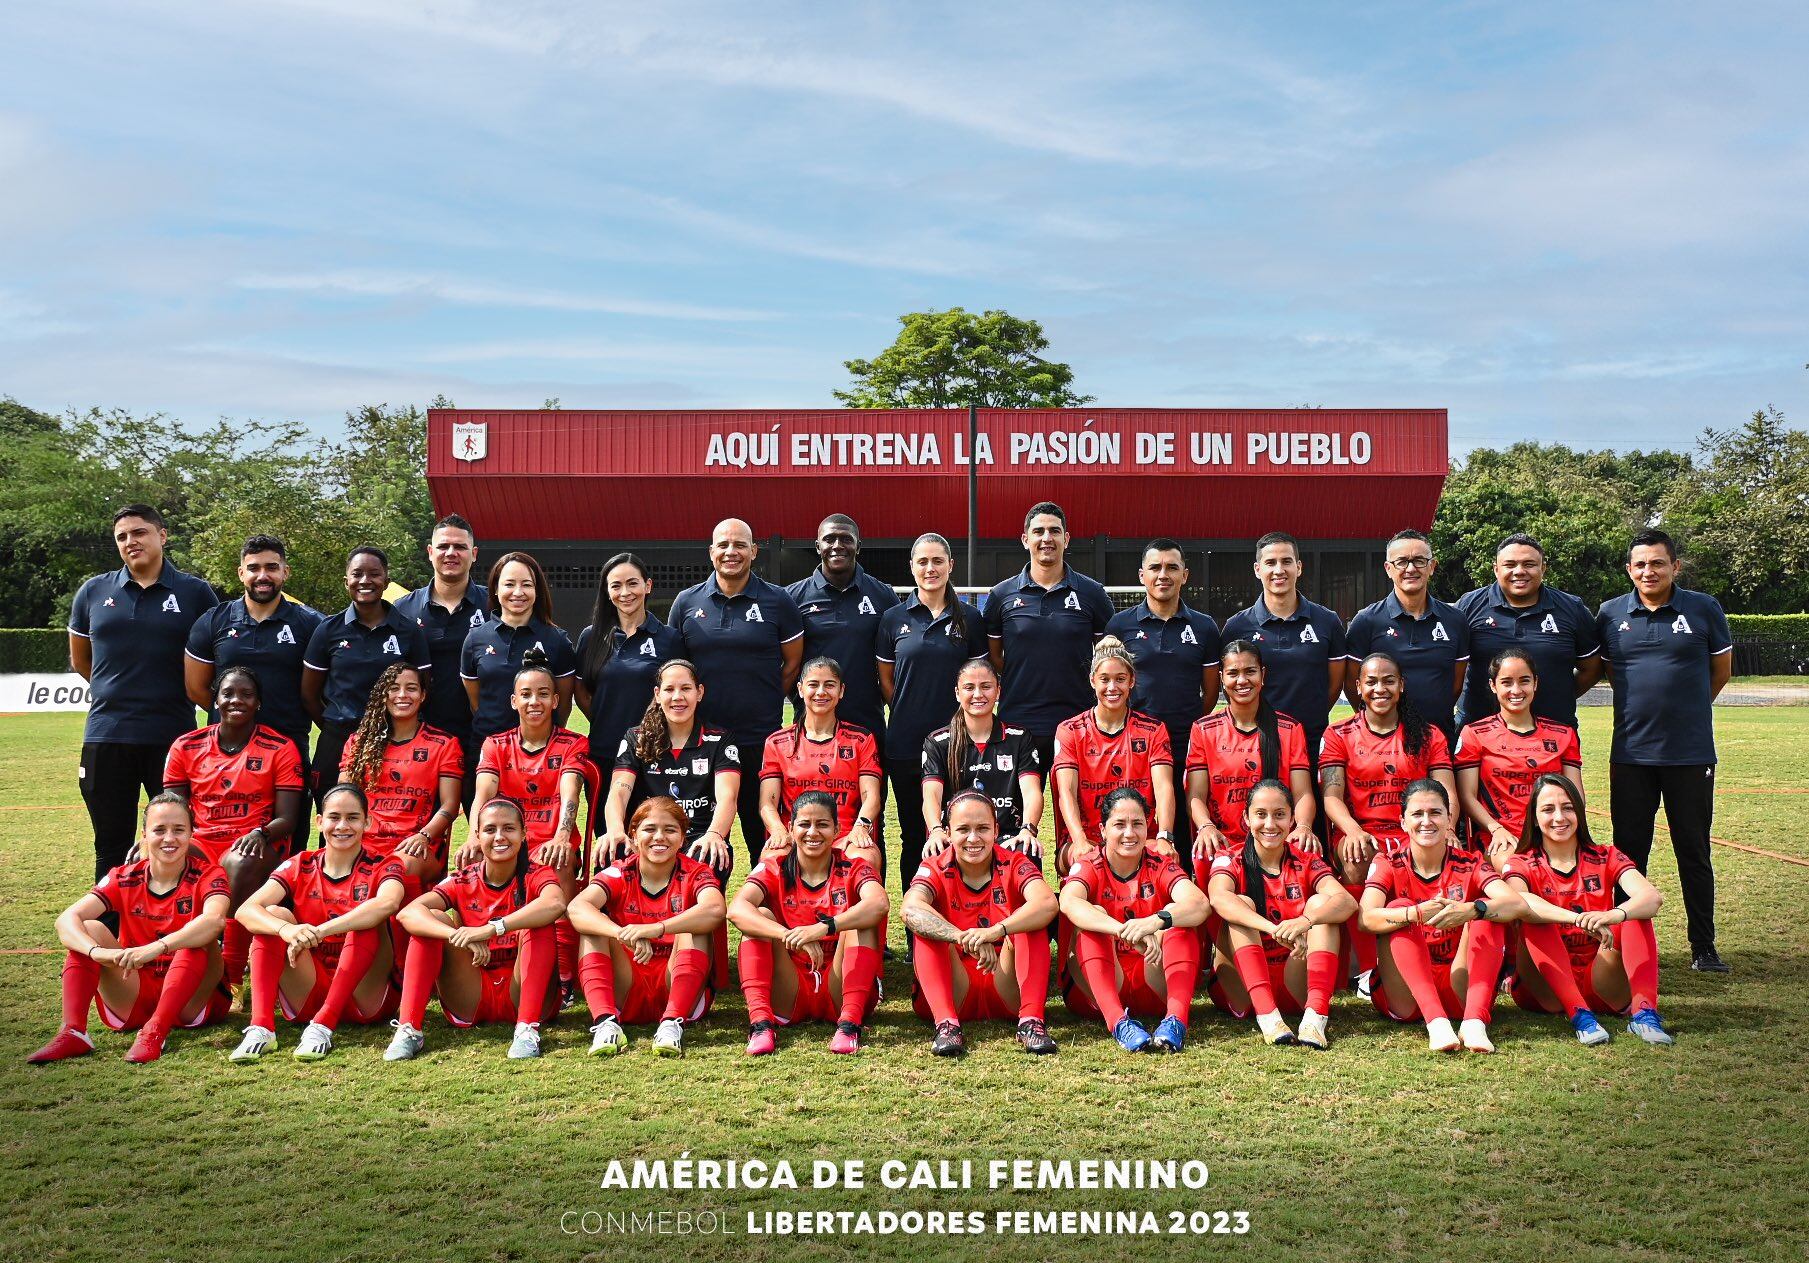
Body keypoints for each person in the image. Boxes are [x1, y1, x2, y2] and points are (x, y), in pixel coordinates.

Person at [1596, 529, 1734, 974]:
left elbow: (1721, 672)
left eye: (1657, 563)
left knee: (1692, 850)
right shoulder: (1611, 613)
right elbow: (1615, 674)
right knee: (1628, 854)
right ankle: (1621, 942)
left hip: (1690, 755)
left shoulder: (1703, 608)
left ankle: (1704, 947)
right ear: (1629, 570)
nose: (1648, 571)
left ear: (1675, 566)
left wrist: (1686, 714)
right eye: (1639, 564)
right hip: (1632, 755)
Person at [68, 504, 219, 878]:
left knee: (178, 841)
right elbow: (82, 662)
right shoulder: (93, 591)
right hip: (107, 735)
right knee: (110, 844)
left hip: (173, 739)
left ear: (162, 536)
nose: (130, 542)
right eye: (122, 537)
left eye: (139, 532)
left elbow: (212, 660)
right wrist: (115, 691)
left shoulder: (196, 592)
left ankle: (180, 928)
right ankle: (112, 930)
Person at [27, 793, 232, 1064]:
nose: (169, 838)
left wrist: (156, 947)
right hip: (134, 988)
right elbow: (66, 919)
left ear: (192, 833)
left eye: (179, 830)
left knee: (198, 939)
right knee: (88, 928)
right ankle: (73, 1032)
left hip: (191, 1001)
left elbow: (214, 920)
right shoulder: (124, 875)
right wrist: (97, 953)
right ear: (145, 834)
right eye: (159, 830)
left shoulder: (209, 874)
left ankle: (155, 1031)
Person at [228, 784, 410, 1062]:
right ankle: (261, 1028)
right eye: (334, 817)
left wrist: (322, 930)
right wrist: (287, 929)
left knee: (367, 919)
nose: (342, 826)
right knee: (273, 915)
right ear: (319, 821)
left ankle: (323, 1026)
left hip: (366, 994)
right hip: (310, 984)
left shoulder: (384, 863)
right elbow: (245, 910)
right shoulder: (301, 863)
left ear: (367, 821)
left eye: (352, 817)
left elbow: (387, 903)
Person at [385, 797, 569, 1061]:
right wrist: (459, 935)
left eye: (509, 828)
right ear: (477, 835)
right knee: (433, 919)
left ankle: (527, 1029)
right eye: (490, 829)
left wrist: (491, 930)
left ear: (523, 833)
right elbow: (408, 913)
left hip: (525, 990)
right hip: (472, 991)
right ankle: (409, 1029)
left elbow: (555, 903)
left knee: (537, 923)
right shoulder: (463, 877)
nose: (499, 837)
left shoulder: (537, 874)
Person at [1501, 776, 1674, 1045]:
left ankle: (1645, 1015)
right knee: (1534, 918)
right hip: (1544, 989)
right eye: (1548, 809)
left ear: (1579, 813)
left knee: (1636, 915)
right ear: (1534, 818)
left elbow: (1651, 898)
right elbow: (1518, 901)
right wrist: (1577, 919)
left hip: (1599, 977)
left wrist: (1615, 914)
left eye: (1568, 807)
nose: (1559, 817)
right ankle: (1579, 1015)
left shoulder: (1605, 855)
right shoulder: (1521, 862)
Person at [669, 519, 805, 863]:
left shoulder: (778, 601)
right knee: (703, 842)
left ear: (754, 551)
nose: (732, 552)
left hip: (760, 741)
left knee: (769, 840)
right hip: (702, 745)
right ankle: (702, 914)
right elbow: (675, 673)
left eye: (740, 545)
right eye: (724, 545)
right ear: (712, 552)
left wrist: (768, 699)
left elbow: (792, 664)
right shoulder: (686, 602)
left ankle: (774, 913)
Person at [1320, 651, 1455, 995]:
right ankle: (1368, 970)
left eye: (1389, 680)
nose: (1380, 688)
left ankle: (1438, 956)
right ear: (1358, 687)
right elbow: (1332, 796)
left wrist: (1448, 828)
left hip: (1415, 829)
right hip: (1364, 830)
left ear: (1401, 686)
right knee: (1355, 857)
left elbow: (1446, 793)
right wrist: (1352, 830)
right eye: (1372, 681)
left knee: (1448, 858)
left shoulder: (1427, 735)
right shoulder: (1339, 734)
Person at [162, 666, 306, 987]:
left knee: (239, 862)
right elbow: (170, 812)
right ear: (215, 701)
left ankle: (231, 975)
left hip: (254, 842)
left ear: (259, 703)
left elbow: (288, 818)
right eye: (227, 693)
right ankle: (162, 963)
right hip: (201, 839)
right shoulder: (186, 746)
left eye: (246, 694)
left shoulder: (279, 747)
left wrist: (261, 833)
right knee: (160, 857)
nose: (236, 700)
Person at [1359, 779, 1525, 1053]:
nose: (1427, 821)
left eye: (1435, 812)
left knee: (1487, 909)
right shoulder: (1388, 861)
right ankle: (1436, 1023)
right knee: (1399, 907)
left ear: (1449, 819)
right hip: (1407, 996)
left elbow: (1514, 903)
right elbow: (1365, 919)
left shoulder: (1469, 862)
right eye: (1417, 814)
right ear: (1402, 822)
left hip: (1457, 986)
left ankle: (1474, 1022)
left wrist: (1472, 910)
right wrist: (1414, 913)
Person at [604, 658, 740, 988]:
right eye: (669, 689)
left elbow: (727, 798)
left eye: (685, 689)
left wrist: (714, 834)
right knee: (609, 856)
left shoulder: (719, 740)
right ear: (657, 694)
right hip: (650, 839)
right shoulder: (637, 737)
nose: (677, 697)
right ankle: (624, 955)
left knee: (710, 856)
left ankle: (695, 967)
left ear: (700, 693)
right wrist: (616, 831)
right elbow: (619, 793)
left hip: (697, 838)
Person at [184, 534, 322, 850]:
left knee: (288, 844)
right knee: (221, 840)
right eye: (254, 567)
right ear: (241, 573)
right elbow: (195, 687)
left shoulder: (311, 624)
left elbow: (322, 688)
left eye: (272, 567)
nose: (263, 575)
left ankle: (280, 902)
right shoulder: (214, 620)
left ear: (285, 572)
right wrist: (235, 719)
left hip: (288, 750)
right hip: (226, 752)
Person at [468, 650, 592, 992]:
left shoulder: (573, 743)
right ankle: (485, 958)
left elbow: (570, 795)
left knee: (561, 859)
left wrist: (562, 837)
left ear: (555, 700)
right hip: (505, 842)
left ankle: (564, 976)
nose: (533, 701)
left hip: (550, 841)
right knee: (471, 863)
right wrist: (473, 837)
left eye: (542, 694)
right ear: (513, 701)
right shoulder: (496, 744)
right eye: (525, 694)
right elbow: (483, 795)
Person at [728, 791, 888, 1055]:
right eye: (804, 824)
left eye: (823, 824)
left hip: (839, 983)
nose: (813, 832)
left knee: (861, 921)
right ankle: (760, 1025)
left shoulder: (854, 866)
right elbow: (736, 910)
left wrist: (824, 927)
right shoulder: (775, 866)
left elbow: (878, 903)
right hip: (790, 987)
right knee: (759, 920)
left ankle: (849, 1025)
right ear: (790, 829)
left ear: (837, 829)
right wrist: (788, 935)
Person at [568, 797, 727, 1058]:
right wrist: (622, 933)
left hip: (675, 979)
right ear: (633, 835)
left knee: (693, 927)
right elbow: (577, 908)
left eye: (670, 830)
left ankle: (671, 1023)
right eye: (650, 829)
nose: (659, 837)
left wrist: (657, 928)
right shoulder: (620, 872)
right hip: (628, 982)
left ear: (683, 838)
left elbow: (714, 909)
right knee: (592, 929)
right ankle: (606, 1022)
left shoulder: (696, 872)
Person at [902, 791, 1059, 1056]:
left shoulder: (1015, 862)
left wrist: (996, 930)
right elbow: (910, 909)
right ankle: (946, 1025)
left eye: (983, 828)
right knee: (926, 925)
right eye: (963, 829)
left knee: (1029, 919)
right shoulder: (934, 866)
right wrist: (964, 937)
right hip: (954, 987)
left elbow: (1047, 903)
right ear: (948, 833)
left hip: (1005, 984)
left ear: (996, 830)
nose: (973, 838)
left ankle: (1031, 1021)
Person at [1205, 780, 1357, 1048]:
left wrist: (1305, 921)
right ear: (1246, 818)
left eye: (1279, 815)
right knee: (1240, 905)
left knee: (1322, 906)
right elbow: (1219, 899)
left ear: (1292, 818)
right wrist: (1272, 928)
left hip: (1293, 976)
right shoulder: (1230, 857)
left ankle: (1315, 1017)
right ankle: (1268, 1017)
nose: (1270, 824)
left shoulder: (1306, 860)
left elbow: (1346, 902)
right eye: (1260, 814)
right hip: (1241, 988)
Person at [880, 532, 992, 889]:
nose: (931, 568)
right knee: (915, 834)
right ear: (911, 567)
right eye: (923, 562)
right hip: (906, 744)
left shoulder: (971, 619)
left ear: (950, 566)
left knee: (962, 834)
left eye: (938, 561)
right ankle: (918, 929)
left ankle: (960, 918)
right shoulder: (892, 618)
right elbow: (887, 680)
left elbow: (977, 681)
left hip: (958, 745)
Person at [1059, 788, 1208, 1053]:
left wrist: (1155, 921)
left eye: (1137, 824)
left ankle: (1175, 1021)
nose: (1129, 833)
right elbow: (1069, 902)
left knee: (1179, 920)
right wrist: (1124, 931)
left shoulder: (1159, 863)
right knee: (1092, 921)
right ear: (1103, 830)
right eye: (1119, 824)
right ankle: (1118, 1023)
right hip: (1097, 988)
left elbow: (1199, 904)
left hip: (1152, 981)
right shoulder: (1090, 864)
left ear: (1147, 827)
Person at [985, 502, 1115, 792]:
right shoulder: (1001, 595)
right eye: (1039, 531)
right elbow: (994, 657)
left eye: (1054, 531)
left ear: (1066, 539)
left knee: (1078, 817)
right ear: (1025, 539)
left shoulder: (1092, 594)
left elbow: (1107, 656)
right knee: (1012, 818)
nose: (1047, 538)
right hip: (1017, 724)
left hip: (1076, 725)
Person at [302, 546, 432, 805]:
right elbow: (309, 694)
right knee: (335, 818)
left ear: (386, 580)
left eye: (374, 574)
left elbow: (424, 687)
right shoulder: (328, 629)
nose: (365, 581)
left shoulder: (408, 631)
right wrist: (337, 724)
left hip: (393, 739)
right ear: (346, 581)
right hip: (337, 739)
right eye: (357, 574)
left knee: (388, 814)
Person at [1220, 532, 1347, 782]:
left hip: (1311, 739)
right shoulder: (1237, 626)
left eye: (1286, 561)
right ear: (1257, 569)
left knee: (1309, 816)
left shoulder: (1327, 621)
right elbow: (1229, 683)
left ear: (1298, 567)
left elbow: (1335, 684)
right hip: (1254, 741)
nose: (1279, 570)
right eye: (1270, 563)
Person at [1455, 533, 1602, 730]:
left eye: (1529, 564)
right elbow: (1447, 664)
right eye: (1510, 564)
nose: (1519, 571)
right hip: (1478, 734)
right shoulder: (1468, 606)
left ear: (1543, 568)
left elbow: (1592, 669)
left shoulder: (1572, 608)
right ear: (1496, 569)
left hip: (1554, 733)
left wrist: (1557, 694)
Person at [1185, 639, 1316, 862]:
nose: (1242, 680)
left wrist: (1303, 826)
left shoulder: (1290, 729)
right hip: (1225, 840)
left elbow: (1302, 793)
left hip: (1274, 838)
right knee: (1204, 853)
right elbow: (1196, 794)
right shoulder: (1203, 729)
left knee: (1305, 849)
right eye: (1233, 673)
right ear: (1221, 678)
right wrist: (1206, 826)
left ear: (1263, 676)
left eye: (1250, 671)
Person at [1051, 638, 1174, 868]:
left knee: (1164, 857)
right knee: (1079, 860)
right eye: (1104, 679)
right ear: (1092, 681)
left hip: (1137, 836)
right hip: (1088, 837)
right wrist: (1078, 840)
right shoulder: (1070, 730)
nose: (1112, 687)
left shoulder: (1153, 730)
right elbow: (1065, 791)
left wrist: (1164, 836)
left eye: (1120, 679)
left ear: (1132, 681)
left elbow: (1164, 787)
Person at [393, 514, 489, 808]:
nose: (451, 553)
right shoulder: (402, 610)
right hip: (421, 739)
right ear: (430, 552)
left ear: (473, 555)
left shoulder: (495, 604)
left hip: (483, 738)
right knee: (420, 831)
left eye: (460, 547)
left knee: (485, 828)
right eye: (443, 546)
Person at [338, 662, 464, 884]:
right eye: (394, 688)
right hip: (362, 842)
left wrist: (424, 835)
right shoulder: (358, 744)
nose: (402, 695)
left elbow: (450, 806)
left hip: (415, 845)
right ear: (383, 695)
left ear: (423, 695)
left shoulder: (444, 744)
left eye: (411, 688)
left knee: (393, 871)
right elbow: (342, 800)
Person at [1105, 539, 1222, 778]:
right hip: (1134, 743)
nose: (1163, 575)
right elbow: (1108, 685)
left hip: (1186, 744)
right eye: (1155, 567)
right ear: (1141, 575)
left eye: (1172, 567)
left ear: (1185, 575)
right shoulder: (1119, 625)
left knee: (1182, 813)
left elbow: (1211, 692)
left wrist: (1189, 723)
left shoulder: (1205, 626)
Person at [1454, 650, 1583, 857]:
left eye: (1524, 681)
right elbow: (1466, 796)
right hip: (1500, 837)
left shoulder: (1563, 734)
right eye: (1506, 682)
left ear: (1535, 683)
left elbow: (1576, 796)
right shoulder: (1474, 733)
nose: (1516, 690)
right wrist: (1495, 828)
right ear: (1493, 686)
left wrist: (1559, 830)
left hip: (1552, 832)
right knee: (1517, 874)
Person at [1342, 529, 1469, 739]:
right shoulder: (1366, 621)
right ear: (1388, 569)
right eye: (1401, 561)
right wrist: (1379, 722)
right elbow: (1352, 685)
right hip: (1384, 743)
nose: (1411, 568)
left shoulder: (1455, 620)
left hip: (1439, 739)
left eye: (1419, 560)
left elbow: (1454, 686)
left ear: (1432, 567)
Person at [757, 658, 883, 866]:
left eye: (830, 685)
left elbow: (872, 797)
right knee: (771, 860)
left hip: (845, 836)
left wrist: (861, 827)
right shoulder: (777, 742)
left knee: (865, 858)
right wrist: (779, 830)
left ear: (841, 691)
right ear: (800, 689)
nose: (821, 692)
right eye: (813, 684)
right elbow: (767, 803)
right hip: (797, 835)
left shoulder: (860, 739)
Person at [575, 552, 682, 791]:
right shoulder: (591, 637)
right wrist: (606, 718)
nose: (625, 593)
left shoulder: (670, 639)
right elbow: (581, 690)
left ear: (648, 585)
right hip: (604, 752)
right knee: (606, 828)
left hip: (656, 754)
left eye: (632, 583)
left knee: (653, 828)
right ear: (607, 592)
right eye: (616, 586)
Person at [787, 513, 899, 740]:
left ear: (858, 546)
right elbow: (784, 660)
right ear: (818, 547)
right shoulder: (792, 597)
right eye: (829, 539)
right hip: (812, 724)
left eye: (846, 539)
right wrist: (799, 697)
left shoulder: (883, 595)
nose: (837, 545)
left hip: (867, 723)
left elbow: (899, 655)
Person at [921, 658, 1045, 859]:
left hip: (1008, 836)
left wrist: (1028, 830)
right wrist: (936, 830)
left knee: (1027, 850)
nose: (978, 694)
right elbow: (931, 796)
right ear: (957, 693)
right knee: (937, 852)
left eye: (986, 686)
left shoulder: (1019, 738)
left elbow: (1032, 792)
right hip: (957, 837)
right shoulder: (938, 742)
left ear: (998, 691)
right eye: (969, 687)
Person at [462, 551, 577, 746]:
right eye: (509, 584)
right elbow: (477, 703)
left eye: (526, 584)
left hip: (541, 753)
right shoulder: (475, 639)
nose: (518, 592)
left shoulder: (557, 640)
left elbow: (563, 705)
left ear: (537, 590)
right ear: (495, 589)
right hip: (487, 751)